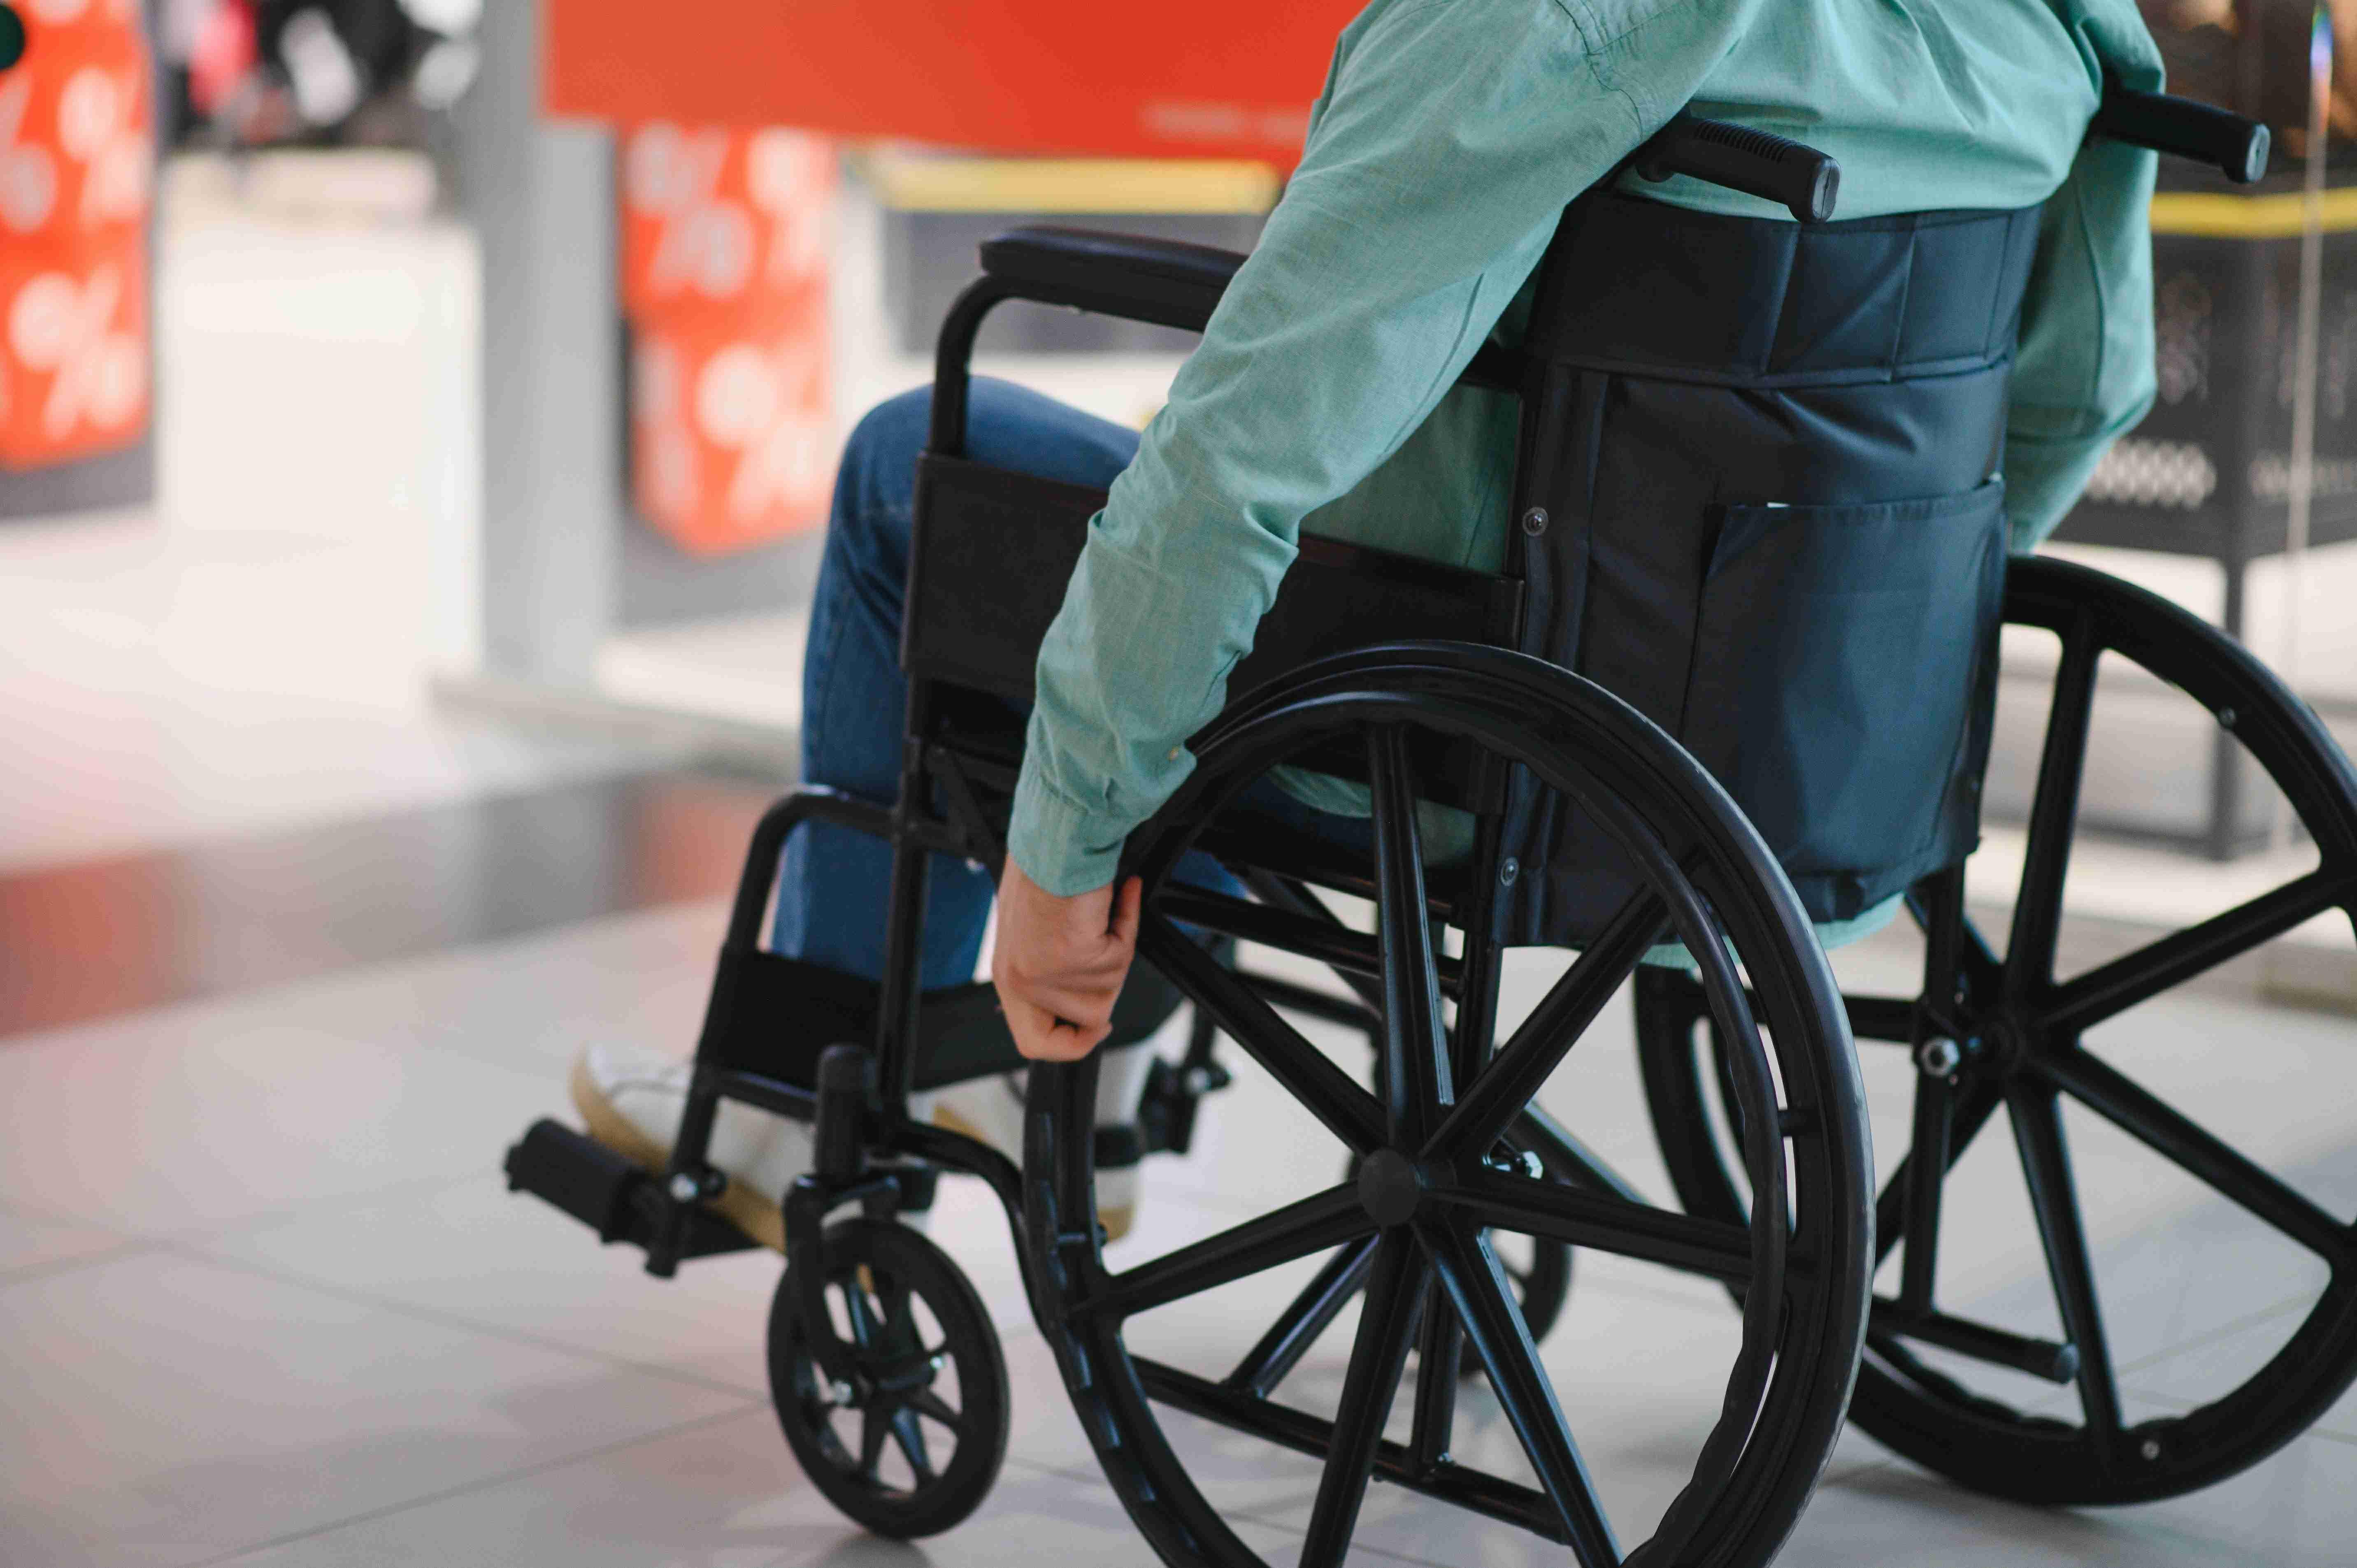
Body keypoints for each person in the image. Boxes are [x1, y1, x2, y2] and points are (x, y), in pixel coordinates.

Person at [572, 0, 2164, 1251]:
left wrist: (1059, 856)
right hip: (1781, 745)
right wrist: (1838, 636)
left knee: (909, 472)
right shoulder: (2056, 23)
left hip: (1446, 721)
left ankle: (823, 1090)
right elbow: (2089, 387)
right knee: (1196, 559)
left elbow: (1244, 461)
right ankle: (1103, 1079)